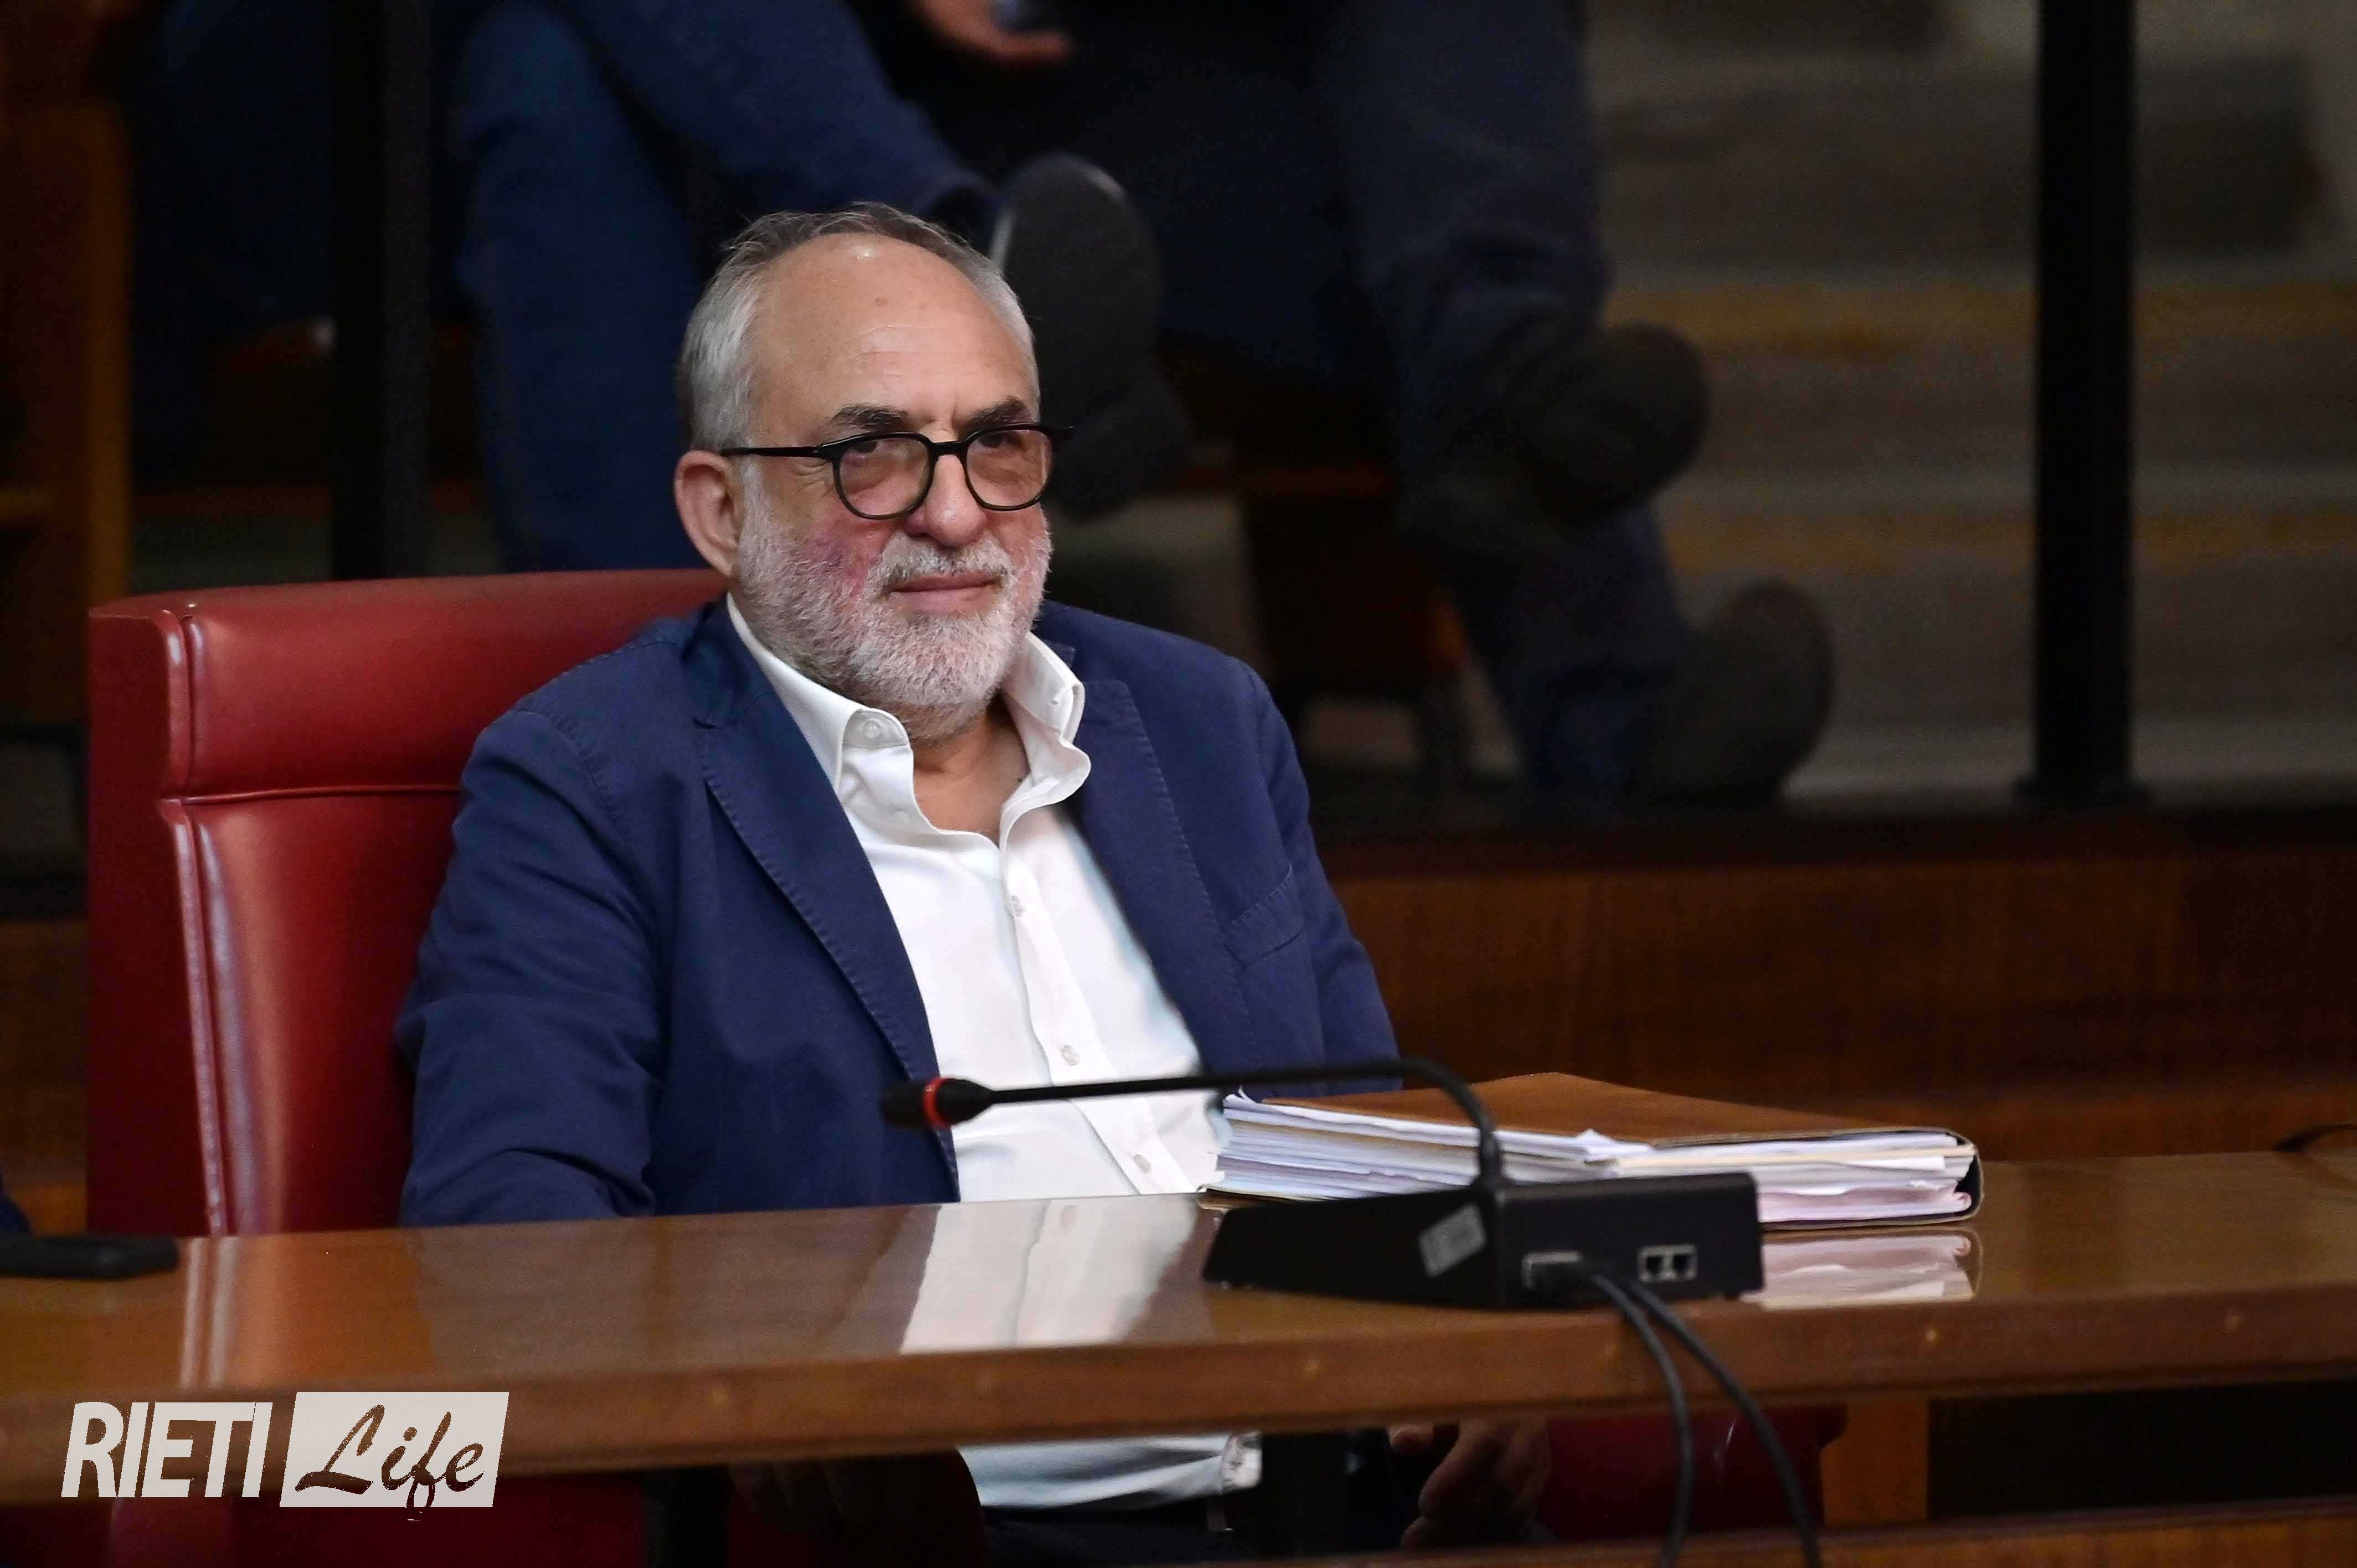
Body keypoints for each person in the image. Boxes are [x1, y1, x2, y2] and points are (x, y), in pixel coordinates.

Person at [398, 205, 1551, 1564]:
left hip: (1344, 1515)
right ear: (721, 510)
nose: (953, 515)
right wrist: (761, 1393)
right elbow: (507, 1239)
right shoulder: (595, 782)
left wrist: (1477, 1333)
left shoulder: (1199, 723)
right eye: (871, 454)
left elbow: (1370, 1141)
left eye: (995, 443)